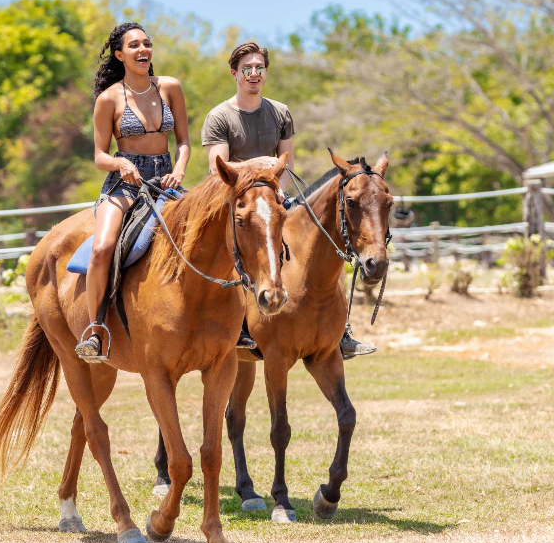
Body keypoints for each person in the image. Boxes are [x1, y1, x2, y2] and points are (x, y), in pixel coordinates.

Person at [200, 42, 375, 359]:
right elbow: (218, 169)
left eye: (259, 69)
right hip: (237, 201)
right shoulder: (219, 116)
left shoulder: (280, 112)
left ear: (265, 73)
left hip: (275, 195)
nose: (254, 74)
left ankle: (341, 331)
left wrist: (277, 186)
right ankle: (237, 326)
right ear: (234, 74)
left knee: (326, 239)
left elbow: (287, 163)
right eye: (247, 69)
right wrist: (261, 170)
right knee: (239, 244)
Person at [75, 22, 190, 361]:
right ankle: (96, 330)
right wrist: (120, 164)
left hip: (167, 179)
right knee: (103, 247)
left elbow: (183, 140)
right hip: (126, 183)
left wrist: (179, 169)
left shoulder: (169, 86)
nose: (143, 50)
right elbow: (99, 156)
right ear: (119, 54)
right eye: (134, 45)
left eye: (147, 44)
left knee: (215, 231)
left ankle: (238, 323)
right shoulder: (108, 99)